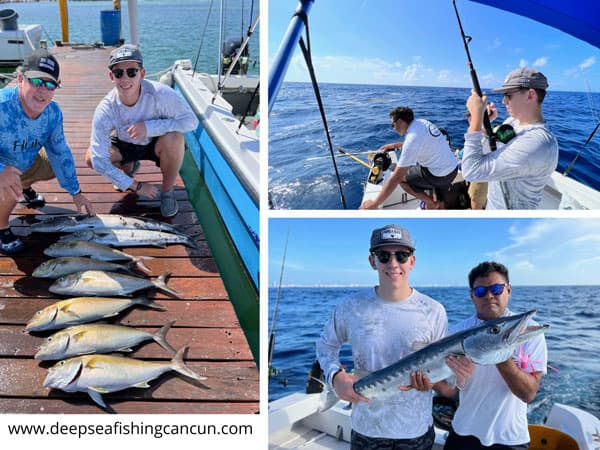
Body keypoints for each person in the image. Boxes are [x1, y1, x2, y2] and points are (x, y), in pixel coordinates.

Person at [316, 224, 448, 449]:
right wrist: (335, 377)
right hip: (366, 429)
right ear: (372, 261)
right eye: (384, 256)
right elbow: (325, 346)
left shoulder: (434, 311)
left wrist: (432, 382)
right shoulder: (350, 307)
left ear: (412, 261)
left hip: (416, 431)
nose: (393, 264)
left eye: (402, 255)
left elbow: (440, 367)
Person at [438, 261, 547, 450]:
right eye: (480, 291)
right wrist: (427, 383)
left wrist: (499, 354)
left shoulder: (528, 333)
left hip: (510, 438)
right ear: (472, 295)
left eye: (496, 289)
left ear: (509, 290)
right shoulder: (455, 334)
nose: (489, 296)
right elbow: (451, 390)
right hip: (463, 432)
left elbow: (528, 394)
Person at [85, 44, 198, 218]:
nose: (125, 78)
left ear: (142, 74)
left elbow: (191, 122)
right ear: (111, 77)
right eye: (118, 73)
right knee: (91, 158)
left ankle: (167, 193)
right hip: (124, 142)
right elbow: (98, 160)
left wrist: (150, 127)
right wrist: (135, 185)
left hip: (156, 142)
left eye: (132, 72)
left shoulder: (161, 94)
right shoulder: (105, 108)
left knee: (175, 138)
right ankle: (128, 169)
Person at [0, 49, 95, 254]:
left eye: (50, 84)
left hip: (24, 161)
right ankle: (1, 227)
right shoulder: (2, 106)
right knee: (8, 181)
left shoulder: (53, 113)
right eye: (36, 81)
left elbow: (60, 152)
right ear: (20, 79)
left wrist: (75, 191)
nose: (43, 90)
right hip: (3, 167)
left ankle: (24, 185)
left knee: (55, 163)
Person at [462, 68, 559, 209]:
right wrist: (483, 127)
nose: (503, 101)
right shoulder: (512, 121)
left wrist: (476, 118)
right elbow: (487, 151)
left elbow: (471, 171)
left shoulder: (539, 143)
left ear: (530, 95)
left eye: (508, 95)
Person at [359, 106, 458, 210]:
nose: (393, 128)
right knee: (437, 189)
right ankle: (439, 206)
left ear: (400, 121)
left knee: (401, 179)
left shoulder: (411, 139)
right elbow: (422, 143)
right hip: (452, 170)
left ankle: (430, 203)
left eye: (393, 125)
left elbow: (397, 177)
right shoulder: (422, 123)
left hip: (438, 176)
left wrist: (374, 204)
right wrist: (396, 145)